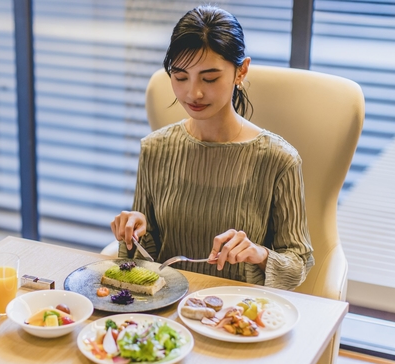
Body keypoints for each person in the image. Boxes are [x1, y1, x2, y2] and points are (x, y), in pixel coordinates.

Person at [110, 5, 314, 290]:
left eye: (209, 78)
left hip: (237, 315)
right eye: (181, 77)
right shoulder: (155, 148)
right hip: (169, 313)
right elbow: (146, 257)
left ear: (241, 71)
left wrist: (259, 253)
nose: (193, 93)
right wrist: (133, 233)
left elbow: (299, 263)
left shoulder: (279, 159)